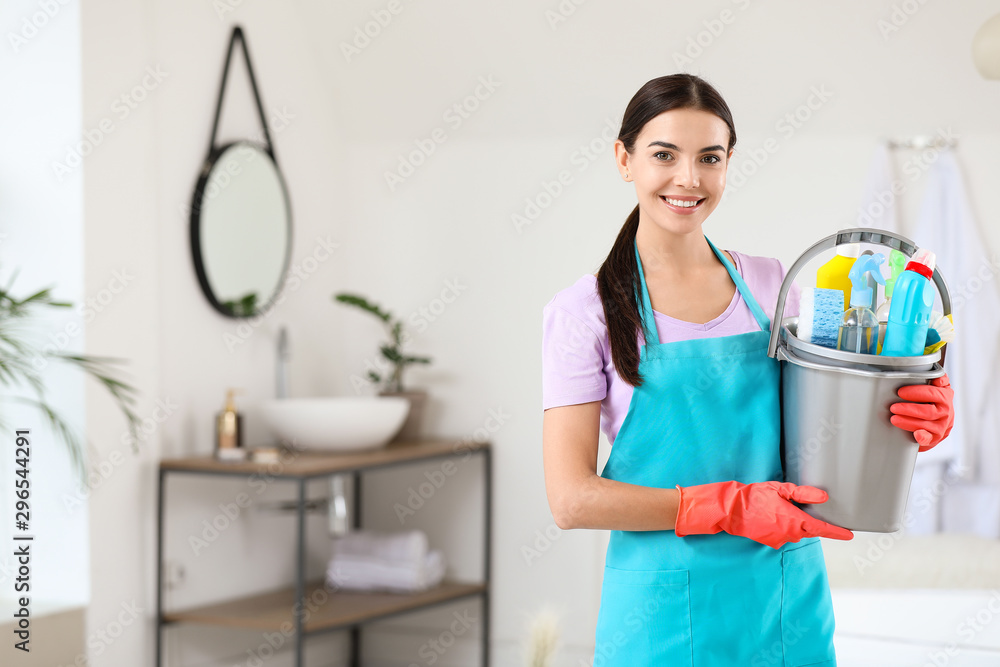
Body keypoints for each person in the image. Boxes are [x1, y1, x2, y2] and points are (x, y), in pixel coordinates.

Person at [540, 73, 955, 666]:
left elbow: (820, 427)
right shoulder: (584, 313)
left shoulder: (770, 283)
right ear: (623, 159)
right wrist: (724, 506)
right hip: (662, 620)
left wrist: (907, 414)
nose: (688, 178)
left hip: (785, 601)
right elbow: (572, 500)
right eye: (664, 155)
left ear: (728, 163)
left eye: (709, 158)